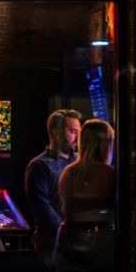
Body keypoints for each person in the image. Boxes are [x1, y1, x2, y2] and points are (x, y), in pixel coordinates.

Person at [53, 118, 116, 272]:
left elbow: (67, 212)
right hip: (103, 250)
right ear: (106, 145)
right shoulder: (113, 176)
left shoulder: (70, 173)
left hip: (71, 247)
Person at [25, 109, 83, 259]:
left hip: (79, 240)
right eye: (73, 131)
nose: (78, 137)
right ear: (56, 131)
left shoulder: (79, 161)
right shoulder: (39, 165)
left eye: (79, 132)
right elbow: (42, 210)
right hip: (51, 243)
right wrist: (68, 231)